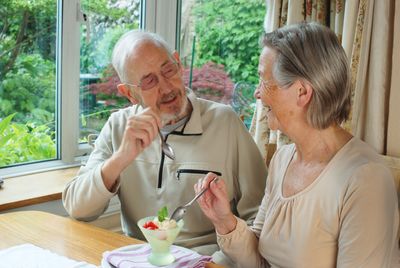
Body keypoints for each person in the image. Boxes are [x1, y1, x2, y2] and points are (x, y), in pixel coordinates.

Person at [195, 22, 399, 267]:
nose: (257, 93)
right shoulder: (283, 159)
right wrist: (224, 220)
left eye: (264, 81)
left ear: (302, 92)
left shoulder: (366, 179)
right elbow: (260, 261)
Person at [62, 30, 267, 262]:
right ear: (129, 93)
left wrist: (215, 262)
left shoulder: (225, 122)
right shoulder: (119, 127)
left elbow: (260, 219)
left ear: (179, 64)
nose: (167, 88)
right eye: (149, 81)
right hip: (138, 259)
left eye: (168, 70)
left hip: (205, 260)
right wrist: (121, 158)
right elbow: (78, 208)